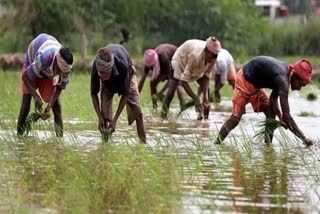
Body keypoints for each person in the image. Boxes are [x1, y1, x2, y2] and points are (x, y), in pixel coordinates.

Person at [215, 56, 314, 146]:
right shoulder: (282, 80)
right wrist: (303, 138)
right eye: (301, 85)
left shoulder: (286, 74)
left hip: (255, 85)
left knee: (270, 111)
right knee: (235, 119)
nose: (299, 88)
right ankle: (216, 144)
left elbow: (273, 99)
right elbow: (287, 116)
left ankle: (267, 147)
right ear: (296, 77)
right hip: (244, 79)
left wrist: (280, 117)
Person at [17, 33, 73, 137]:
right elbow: (25, 77)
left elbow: (60, 87)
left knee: (57, 105)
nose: (61, 74)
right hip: (32, 63)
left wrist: (50, 104)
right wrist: (35, 96)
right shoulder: (44, 58)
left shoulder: (66, 69)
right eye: (59, 71)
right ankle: (19, 138)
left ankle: (59, 141)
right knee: (25, 105)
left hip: (46, 72)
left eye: (63, 72)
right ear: (56, 63)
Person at [91, 44, 146, 143]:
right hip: (108, 84)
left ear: (110, 69)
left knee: (137, 111)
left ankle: (143, 144)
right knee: (104, 117)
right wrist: (99, 117)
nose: (102, 77)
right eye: (100, 74)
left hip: (127, 75)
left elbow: (125, 94)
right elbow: (93, 93)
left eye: (105, 73)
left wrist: (115, 120)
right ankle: (105, 146)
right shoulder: (97, 65)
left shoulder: (123, 66)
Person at [161, 36, 221, 120]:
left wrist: (205, 97)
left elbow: (207, 75)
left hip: (196, 66)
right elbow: (183, 81)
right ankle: (163, 118)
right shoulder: (195, 56)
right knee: (171, 92)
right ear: (206, 51)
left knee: (206, 93)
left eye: (214, 58)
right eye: (210, 57)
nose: (211, 60)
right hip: (180, 60)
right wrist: (195, 98)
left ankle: (205, 120)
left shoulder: (213, 58)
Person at [138, 44, 185, 109]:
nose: (150, 69)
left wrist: (160, 93)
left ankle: (183, 106)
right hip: (163, 65)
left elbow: (170, 81)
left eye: (152, 67)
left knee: (177, 84)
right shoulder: (148, 60)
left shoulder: (164, 59)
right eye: (150, 67)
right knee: (152, 83)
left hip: (176, 58)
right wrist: (135, 96)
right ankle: (155, 108)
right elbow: (142, 80)